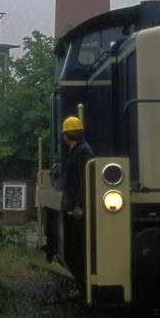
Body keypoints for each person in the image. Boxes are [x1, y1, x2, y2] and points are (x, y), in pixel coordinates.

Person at [61, 116, 94, 287]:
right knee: (74, 250)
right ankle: (82, 284)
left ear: (65, 136)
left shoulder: (83, 152)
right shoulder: (80, 151)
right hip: (74, 209)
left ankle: (84, 284)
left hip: (78, 211)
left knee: (76, 250)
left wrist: (79, 206)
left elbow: (85, 180)